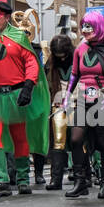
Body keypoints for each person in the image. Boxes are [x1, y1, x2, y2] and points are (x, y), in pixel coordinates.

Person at [0, 2, 47, 197]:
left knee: (19, 137)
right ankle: (1, 179)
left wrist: (28, 86)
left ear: (6, 17)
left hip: (17, 94)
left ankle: (22, 178)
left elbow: (31, 63)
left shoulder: (19, 37)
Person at [64, 11, 104, 200]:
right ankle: (81, 181)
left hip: (102, 99)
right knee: (75, 138)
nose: (85, 30)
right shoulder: (79, 49)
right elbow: (74, 74)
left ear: (98, 27)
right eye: (83, 26)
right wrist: (67, 95)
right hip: (82, 99)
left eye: (89, 26)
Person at [42, 34, 75, 191]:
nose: (61, 57)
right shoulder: (50, 64)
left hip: (77, 103)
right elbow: (45, 84)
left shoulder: (78, 58)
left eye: (63, 54)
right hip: (57, 105)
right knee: (58, 141)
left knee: (78, 140)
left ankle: (82, 175)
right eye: (57, 54)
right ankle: (56, 179)